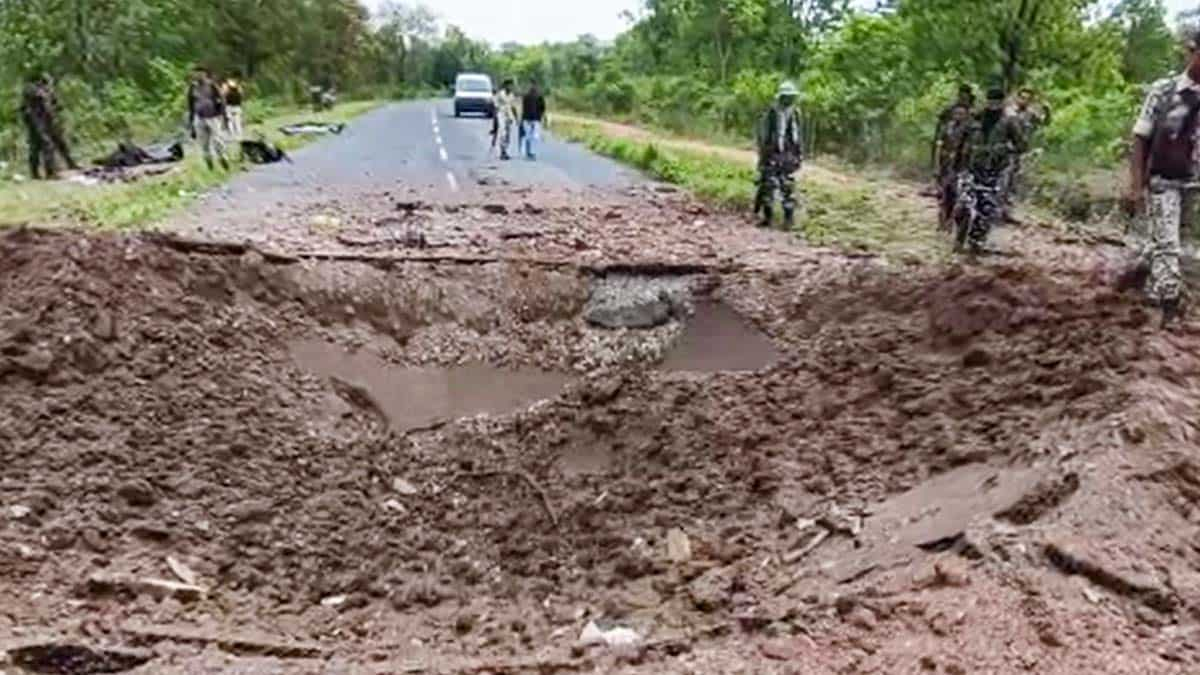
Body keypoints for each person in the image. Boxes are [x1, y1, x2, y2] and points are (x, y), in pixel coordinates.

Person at [1123, 29, 1200, 325]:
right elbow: (1140, 137)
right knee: (1169, 244)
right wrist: (1135, 184)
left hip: (1194, 184)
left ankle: (1141, 270)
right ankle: (1169, 306)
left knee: (1165, 241)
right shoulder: (1164, 91)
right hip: (1163, 179)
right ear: (1191, 52)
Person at [958, 87, 1026, 254]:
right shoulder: (975, 118)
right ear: (986, 101)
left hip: (994, 170)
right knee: (963, 205)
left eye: (996, 102)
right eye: (990, 101)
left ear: (1002, 103)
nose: (993, 105)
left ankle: (976, 242)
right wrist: (958, 164)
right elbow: (961, 141)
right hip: (971, 167)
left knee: (985, 207)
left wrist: (1004, 149)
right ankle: (959, 239)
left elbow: (1021, 145)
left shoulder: (1010, 121)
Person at [754, 80, 804, 229]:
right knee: (768, 186)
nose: (789, 100)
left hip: (788, 154)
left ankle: (788, 220)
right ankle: (767, 218)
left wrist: (799, 155)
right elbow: (764, 135)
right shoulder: (772, 112)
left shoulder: (795, 113)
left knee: (787, 186)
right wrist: (763, 155)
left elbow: (799, 136)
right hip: (772, 153)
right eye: (786, 97)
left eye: (791, 97)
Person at [1000, 87, 1051, 219]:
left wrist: (1047, 110)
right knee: (1003, 177)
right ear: (1017, 98)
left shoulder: (1030, 114)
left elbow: (1045, 123)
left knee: (1014, 179)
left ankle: (1006, 208)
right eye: (1022, 97)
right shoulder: (1008, 112)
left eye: (1028, 99)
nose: (1024, 101)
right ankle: (997, 206)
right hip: (1005, 150)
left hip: (1020, 151)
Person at [21, 73, 78, 179]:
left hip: (49, 121)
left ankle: (70, 164)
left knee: (60, 142)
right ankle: (46, 172)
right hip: (36, 121)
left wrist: (57, 113)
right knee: (42, 145)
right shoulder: (31, 89)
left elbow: (56, 105)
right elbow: (39, 100)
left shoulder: (47, 91)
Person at [935, 102, 973, 230]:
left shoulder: (969, 130)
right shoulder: (947, 127)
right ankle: (943, 219)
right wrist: (937, 164)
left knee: (957, 195)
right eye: (956, 113)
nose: (958, 116)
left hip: (960, 166)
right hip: (946, 164)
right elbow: (940, 146)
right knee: (944, 193)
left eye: (962, 114)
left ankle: (952, 221)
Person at [187, 65, 230, 170]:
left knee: (218, 141)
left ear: (205, 74)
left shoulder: (211, 85)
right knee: (204, 144)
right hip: (199, 118)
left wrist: (224, 116)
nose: (197, 75)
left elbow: (222, 100)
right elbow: (191, 106)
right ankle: (209, 166)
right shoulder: (193, 87)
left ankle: (223, 159)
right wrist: (191, 124)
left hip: (213, 117)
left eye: (200, 73)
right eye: (195, 73)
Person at [933, 84, 977, 178]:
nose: (963, 97)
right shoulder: (950, 109)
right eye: (961, 95)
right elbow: (941, 123)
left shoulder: (974, 112)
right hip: (950, 140)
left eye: (965, 95)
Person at [494, 79, 519, 161]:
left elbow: (513, 107)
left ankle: (505, 150)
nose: (511, 87)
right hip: (501, 114)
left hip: (509, 116)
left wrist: (516, 118)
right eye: (509, 85)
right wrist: (495, 117)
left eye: (512, 86)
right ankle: (502, 151)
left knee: (508, 134)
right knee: (503, 133)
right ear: (505, 85)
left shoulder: (512, 95)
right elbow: (496, 105)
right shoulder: (500, 94)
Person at [521, 80, 546, 160]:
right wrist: (523, 118)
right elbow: (524, 108)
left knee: (535, 136)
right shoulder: (526, 96)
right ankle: (528, 152)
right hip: (527, 118)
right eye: (531, 85)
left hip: (536, 119)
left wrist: (541, 117)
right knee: (528, 136)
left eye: (534, 85)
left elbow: (543, 108)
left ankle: (532, 152)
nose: (532, 87)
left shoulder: (539, 96)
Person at [222, 70, 246, 141]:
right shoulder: (238, 85)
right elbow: (242, 95)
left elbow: (223, 95)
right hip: (237, 106)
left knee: (230, 121)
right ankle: (239, 136)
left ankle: (232, 136)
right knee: (237, 120)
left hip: (229, 105)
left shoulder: (226, 85)